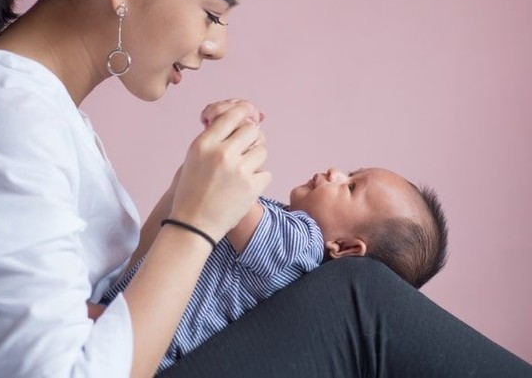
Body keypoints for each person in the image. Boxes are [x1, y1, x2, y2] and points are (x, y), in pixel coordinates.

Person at [0, 0, 532, 376]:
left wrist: (194, 197)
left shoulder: (30, 112)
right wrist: (196, 219)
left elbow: (105, 290)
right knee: (359, 297)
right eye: (214, 12)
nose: (218, 44)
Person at [99, 99, 450, 372]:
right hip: (133, 321)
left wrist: (236, 131)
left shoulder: (300, 251)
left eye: (352, 186)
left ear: (343, 248)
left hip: (156, 352)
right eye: (350, 171)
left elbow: (227, 193)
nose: (335, 172)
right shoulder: (286, 228)